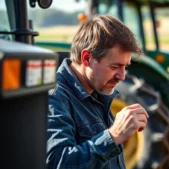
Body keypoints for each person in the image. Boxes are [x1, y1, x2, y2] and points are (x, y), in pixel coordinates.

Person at [47, 14, 148, 169]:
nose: (122, 76)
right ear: (87, 58)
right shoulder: (54, 98)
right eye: (115, 67)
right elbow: (58, 163)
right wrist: (113, 136)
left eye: (125, 67)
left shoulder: (97, 90)